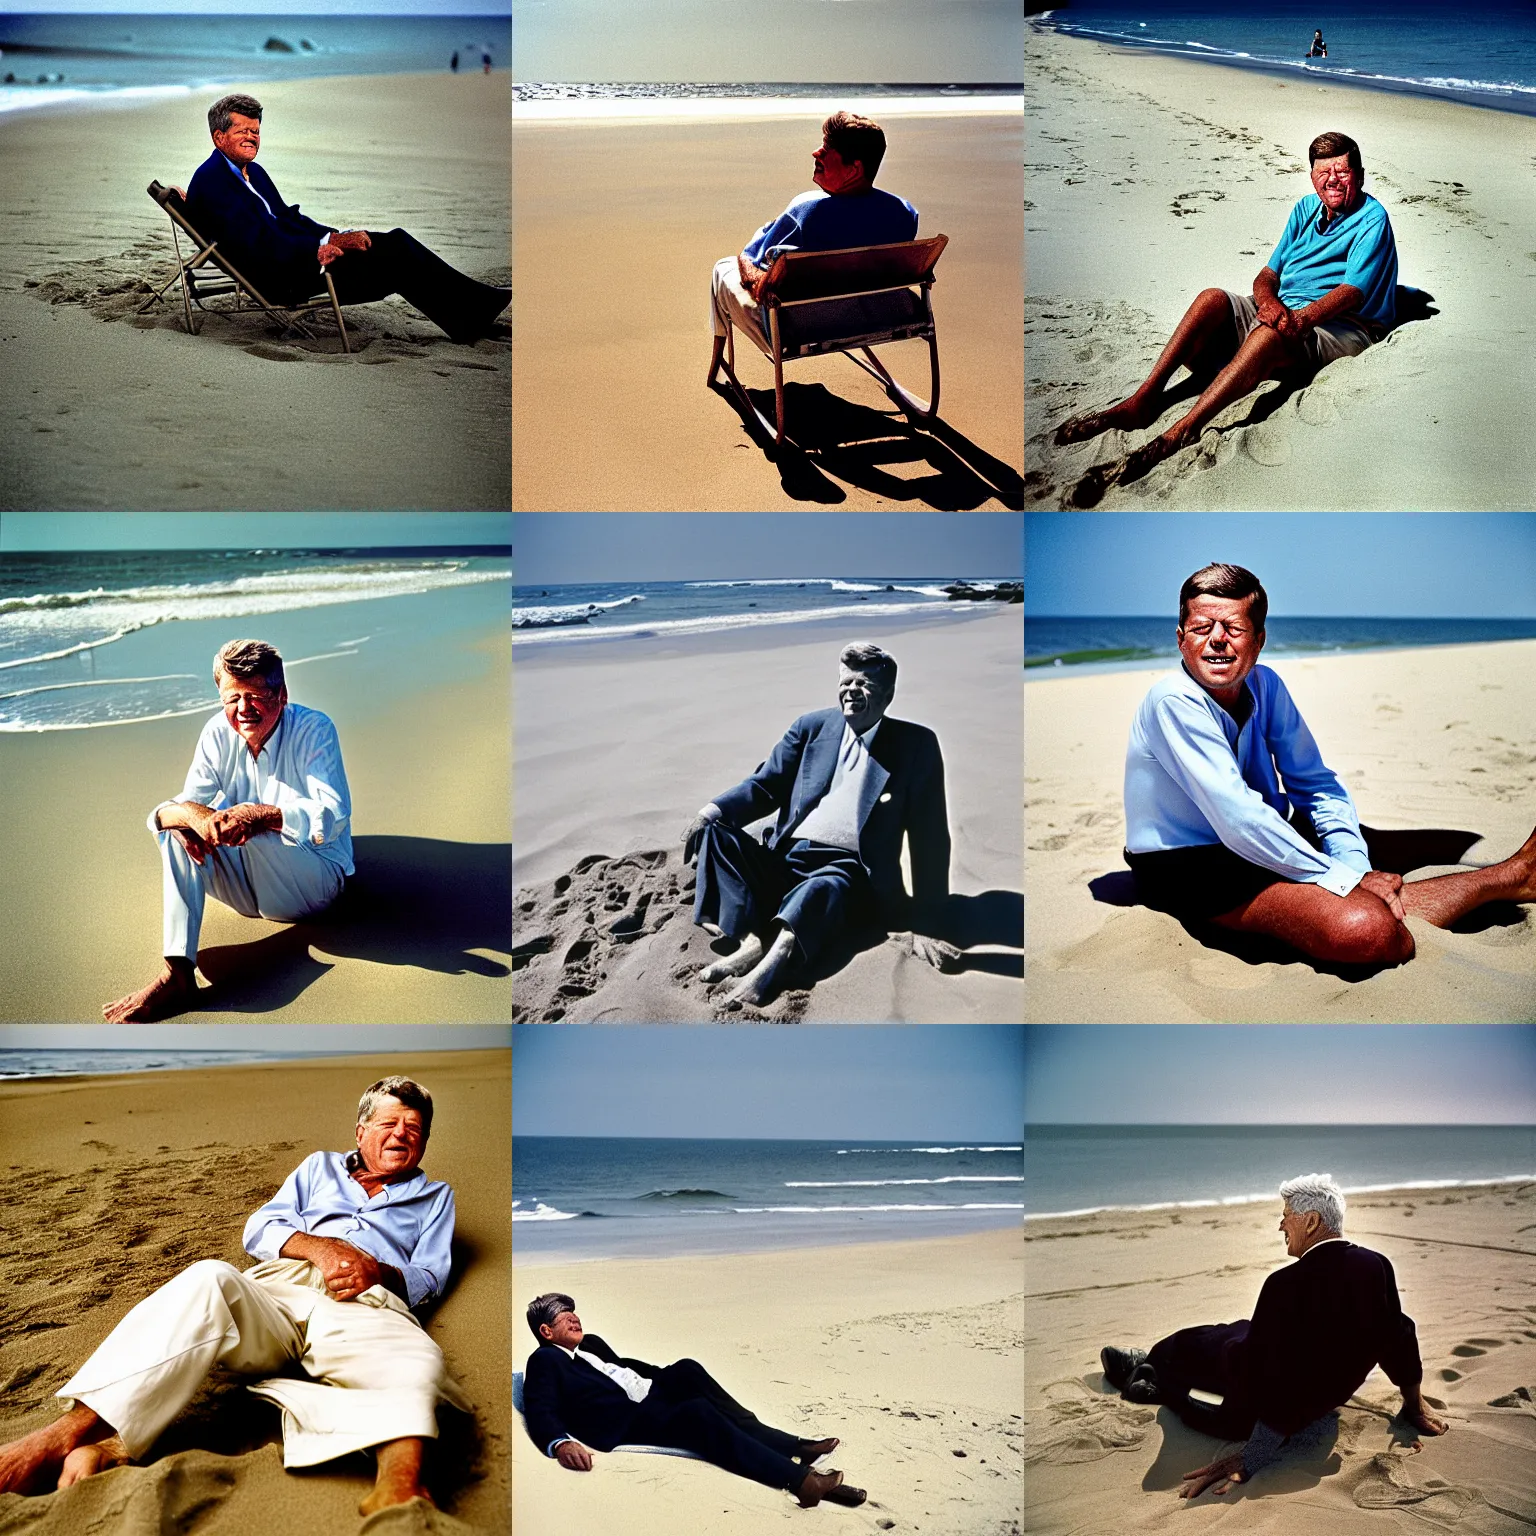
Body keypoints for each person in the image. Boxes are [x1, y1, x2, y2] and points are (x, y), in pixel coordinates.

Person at [0, 1078, 469, 1514]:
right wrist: (320, 1247)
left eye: (415, 1128)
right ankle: (64, 1436)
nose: (402, 1135)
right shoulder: (318, 1167)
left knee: (414, 1357)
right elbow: (260, 1227)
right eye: (390, 1123)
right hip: (276, 1289)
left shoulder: (435, 1196)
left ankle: (399, 1484)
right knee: (207, 1278)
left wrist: (378, 1270)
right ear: (362, 1131)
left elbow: (430, 1276)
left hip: (364, 1301)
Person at [1122, 563, 1536, 966]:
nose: (1216, 640)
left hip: (1266, 829)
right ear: (1180, 639)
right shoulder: (1173, 701)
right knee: (1368, 930)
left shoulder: (1266, 684)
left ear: (1259, 639)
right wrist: (1348, 881)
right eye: (1200, 628)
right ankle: (1513, 876)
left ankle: (1479, 871)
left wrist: (1353, 865)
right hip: (1190, 864)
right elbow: (1239, 820)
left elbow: (1314, 784)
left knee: (1417, 845)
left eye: (1233, 628)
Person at [1054, 131, 1397, 488]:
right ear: (1311, 176)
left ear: (1359, 175)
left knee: (1267, 335)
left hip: (1341, 325)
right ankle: (1144, 399)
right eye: (1323, 172)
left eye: (1342, 172)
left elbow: (1352, 294)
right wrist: (1268, 303)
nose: (1332, 180)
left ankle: (1185, 429)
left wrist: (1296, 320)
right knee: (1211, 299)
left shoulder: (1373, 219)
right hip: (1285, 308)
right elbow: (1267, 274)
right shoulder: (1304, 210)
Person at [1100, 1173, 1447, 1499]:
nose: (1281, 1224)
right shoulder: (1376, 1266)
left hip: (1256, 1400)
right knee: (1238, 1331)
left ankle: (1141, 1367)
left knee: (1199, 1344)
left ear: (1311, 1222)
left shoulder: (1284, 1286)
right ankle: (1155, 1366)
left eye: (1286, 1216)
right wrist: (1412, 1404)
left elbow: (1265, 1379)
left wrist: (1251, 1458)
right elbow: (1399, 1336)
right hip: (1316, 1397)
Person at [681, 641, 956, 1007]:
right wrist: (709, 812)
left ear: (888, 694)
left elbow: (930, 838)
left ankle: (772, 962)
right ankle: (752, 940)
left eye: (864, 683)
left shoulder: (916, 745)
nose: (851, 690)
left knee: (820, 889)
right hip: (786, 857)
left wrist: (926, 922)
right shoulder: (811, 727)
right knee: (718, 835)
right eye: (846, 681)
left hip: (848, 872)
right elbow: (765, 785)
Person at [102, 638, 353, 1023]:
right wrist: (194, 818)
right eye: (231, 698)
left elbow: (332, 815)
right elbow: (173, 809)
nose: (242, 709)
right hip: (247, 892)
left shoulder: (314, 728)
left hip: (314, 886)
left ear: (281, 694)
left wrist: (262, 815)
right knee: (178, 829)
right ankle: (179, 972)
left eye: (255, 695)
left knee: (247, 825)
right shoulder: (217, 732)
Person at [183, 94, 509, 344]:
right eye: (243, 130)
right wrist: (322, 246)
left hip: (297, 254)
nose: (252, 137)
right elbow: (258, 242)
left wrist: (333, 235)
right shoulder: (214, 181)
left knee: (392, 246)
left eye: (256, 131)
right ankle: (472, 315)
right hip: (283, 273)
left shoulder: (250, 172)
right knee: (395, 252)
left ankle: (468, 318)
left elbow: (287, 217)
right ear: (218, 136)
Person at [521, 1294, 866, 1508]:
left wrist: (667, 1376)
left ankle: (795, 1447)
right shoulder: (545, 1361)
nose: (574, 1317)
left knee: (687, 1369)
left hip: (647, 1393)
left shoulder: (591, 1344)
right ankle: (802, 1480)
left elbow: (625, 1368)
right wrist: (560, 1443)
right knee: (699, 1413)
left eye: (573, 1312)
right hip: (626, 1420)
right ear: (546, 1332)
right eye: (563, 1316)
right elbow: (539, 1407)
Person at [708, 111, 919, 374]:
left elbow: (756, 274)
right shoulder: (904, 212)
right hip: (877, 314)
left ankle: (717, 363)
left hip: (800, 325)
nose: (816, 153)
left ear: (855, 168)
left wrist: (747, 260)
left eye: (828, 149)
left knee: (724, 266)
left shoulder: (809, 210)